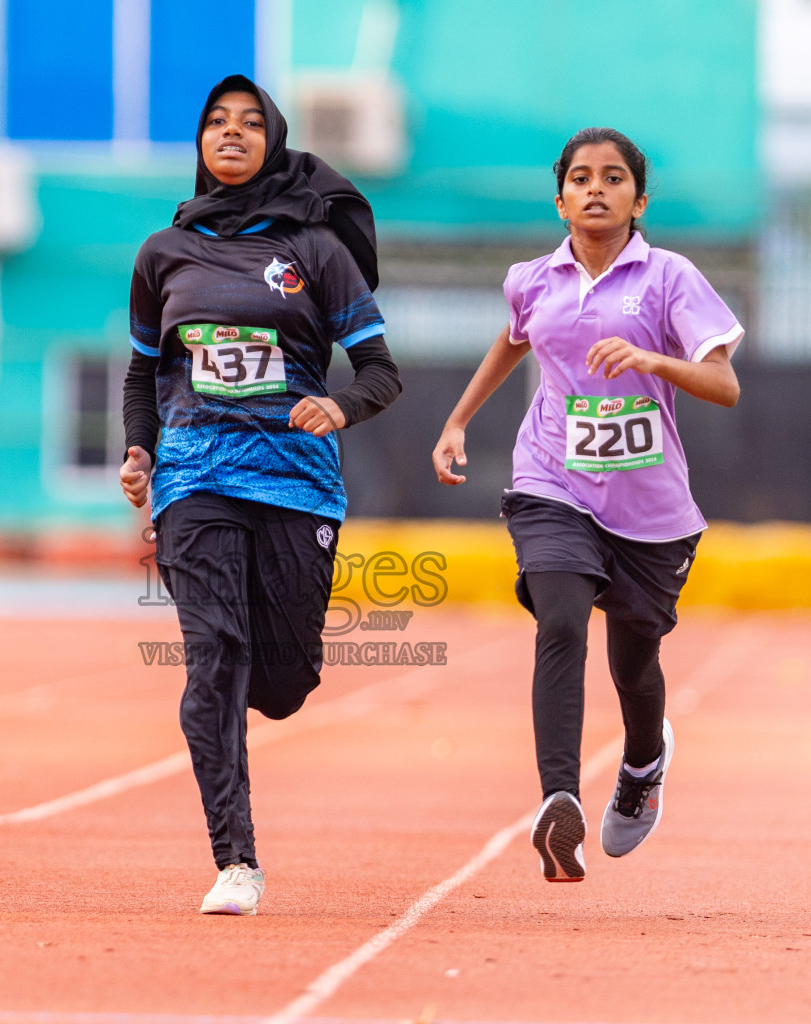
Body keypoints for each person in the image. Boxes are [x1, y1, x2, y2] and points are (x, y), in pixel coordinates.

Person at [120, 74, 401, 915]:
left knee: (280, 684)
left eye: (249, 124)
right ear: (200, 143)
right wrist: (140, 449)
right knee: (215, 658)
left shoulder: (317, 252)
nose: (231, 134)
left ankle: (247, 674)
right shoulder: (162, 253)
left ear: (273, 141)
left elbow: (382, 374)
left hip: (295, 484)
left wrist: (338, 405)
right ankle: (235, 859)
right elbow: (144, 372)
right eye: (216, 123)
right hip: (194, 479)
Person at [431, 127, 741, 882]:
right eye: (579, 177)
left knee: (634, 666)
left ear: (640, 198)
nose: (594, 188)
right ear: (560, 196)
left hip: (650, 510)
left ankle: (642, 764)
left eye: (612, 178)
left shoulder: (668, 278)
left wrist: (651, 358)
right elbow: (513, 339)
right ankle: (558, 799)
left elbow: (725, 385)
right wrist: (458, 419)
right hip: (553, 481)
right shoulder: (532, 279)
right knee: (561, 620)